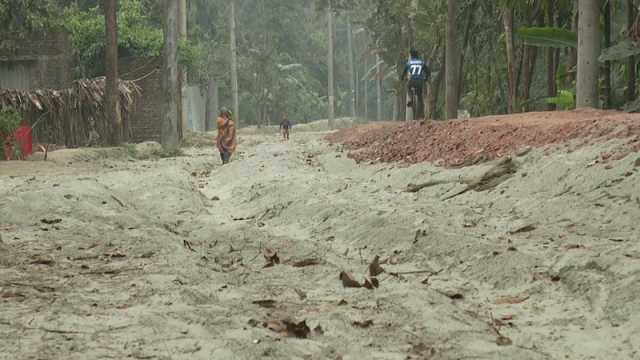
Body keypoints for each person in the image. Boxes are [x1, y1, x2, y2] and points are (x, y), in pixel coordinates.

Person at [400, 48, 430, 119]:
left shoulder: (409, 63)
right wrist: (425, 78)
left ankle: (410, 98)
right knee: (420, 97)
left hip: (412, 81)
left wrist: (402, 78)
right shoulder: (421, 62)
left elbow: (403, 73)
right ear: (417, 55)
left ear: (411, 56)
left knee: (408, 87)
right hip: (420, 81)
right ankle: (421, 115)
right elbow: (428, 72)